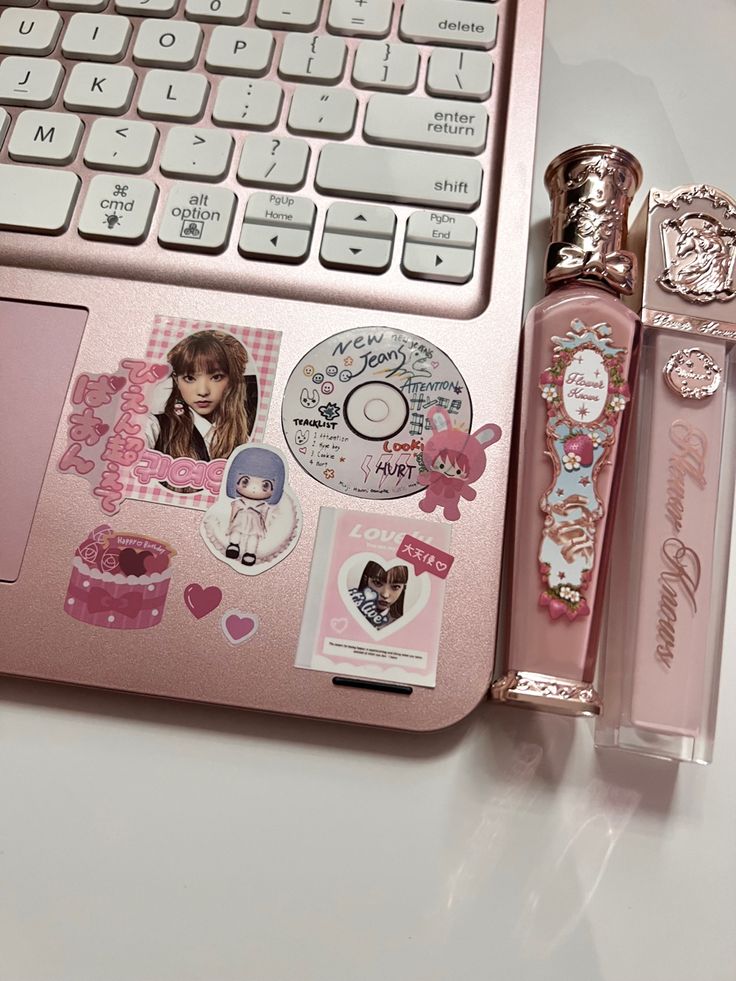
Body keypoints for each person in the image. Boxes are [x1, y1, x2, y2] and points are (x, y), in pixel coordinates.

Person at [145, 330, 257, 463]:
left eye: (216, 377)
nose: (203, 391)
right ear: (176, 380)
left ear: (231, 380)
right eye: (190, 378)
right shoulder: (155, 427)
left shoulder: (245, 441)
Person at [222, 446, 286, 567]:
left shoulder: (262, 505)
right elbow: (233, 511)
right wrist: (231, 523)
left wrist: (264, 527)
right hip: (240, 520)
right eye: (245, 481)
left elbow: (264, 516)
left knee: (253, 538)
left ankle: (250, 553)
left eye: (265, 485)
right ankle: (234, 545)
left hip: (255, 524)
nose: (255, 489)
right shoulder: (239, 502)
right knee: (236, 532)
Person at [349, 561, 409, 630]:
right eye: (377, 583)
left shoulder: (399, 626)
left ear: (403, 588)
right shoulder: (349, 612)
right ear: (366, 580)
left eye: (395, 587)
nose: (385, 595)